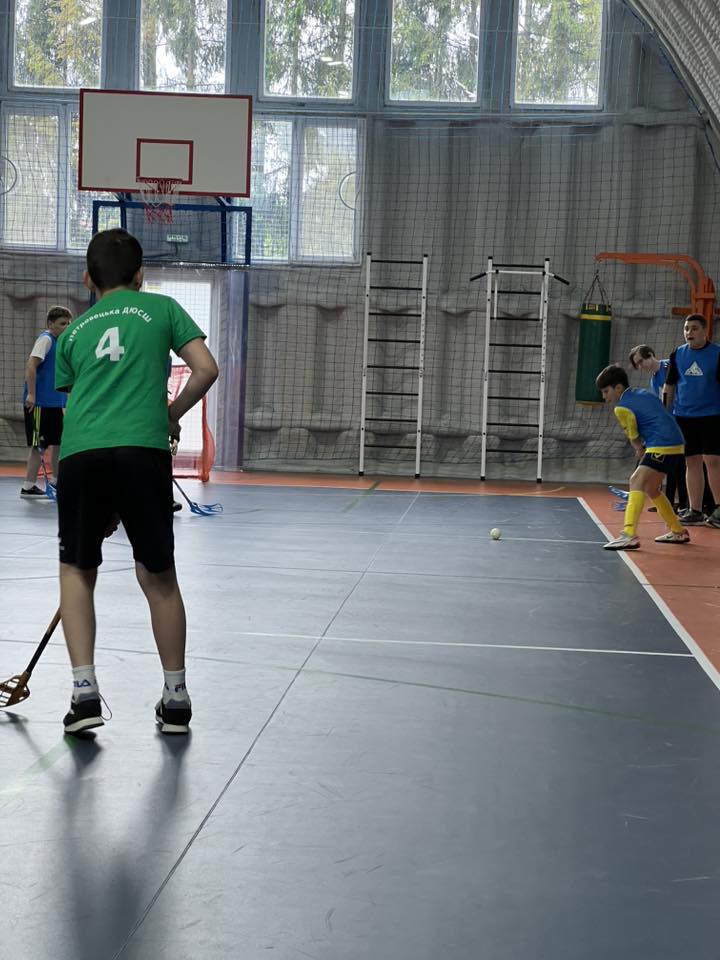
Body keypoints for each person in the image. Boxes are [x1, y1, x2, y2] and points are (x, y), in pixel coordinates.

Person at [54, 228, 218, 736]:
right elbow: (206, 369)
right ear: (141, 275)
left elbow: (77, 401)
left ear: (87, 279)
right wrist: (172, 414)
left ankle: (84, 694)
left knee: (77, 570)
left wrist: (100, 499)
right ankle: (176, 699)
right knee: (159, 577)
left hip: (82, 454)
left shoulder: (73, 333)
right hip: (143, 454)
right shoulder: (163, 309)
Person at [596, 364, 689, 550]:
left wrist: (639, 448)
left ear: (618, 388)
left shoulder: (621, 407)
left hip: (661, 444)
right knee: (651, 488)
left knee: (636, 481)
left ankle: (629, 534)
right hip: (677, 443)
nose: (604, 397)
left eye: (606, 391)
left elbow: (633, 435)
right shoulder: (643, 393)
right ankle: (678, 531)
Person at [662, 314, 720, 527]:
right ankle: (695, 510)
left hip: (712, 416)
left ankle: (718, 509)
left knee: (712, 461)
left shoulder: (717, 354)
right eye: (686, 328)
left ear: (705, 331)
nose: (689, 332)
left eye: (694, 328)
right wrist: (665, 414)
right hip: (684, 416)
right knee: (691, 461)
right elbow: (669, 386)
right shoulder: (678, 354)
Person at [628, 343, 688, 513]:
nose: (641, 367)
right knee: (672, 464)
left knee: (681, 464)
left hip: (682, 418)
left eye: (641, 362)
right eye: (638, 365)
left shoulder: (668, 366)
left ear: (650, 354)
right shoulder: (654, 379)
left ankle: (684, 503)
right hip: (670, 424)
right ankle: (669, 501)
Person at [20, 306, 73, 497]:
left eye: (69, 324)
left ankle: (56, 482)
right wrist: (31, 395)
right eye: (62, 323)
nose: (67, 327)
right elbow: (31, 365)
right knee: (38, 447)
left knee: (59, 443)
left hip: (56, 404)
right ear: (51, 324)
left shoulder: (62, 343)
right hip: (40, 404)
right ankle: (28, 486)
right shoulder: (46, 340)